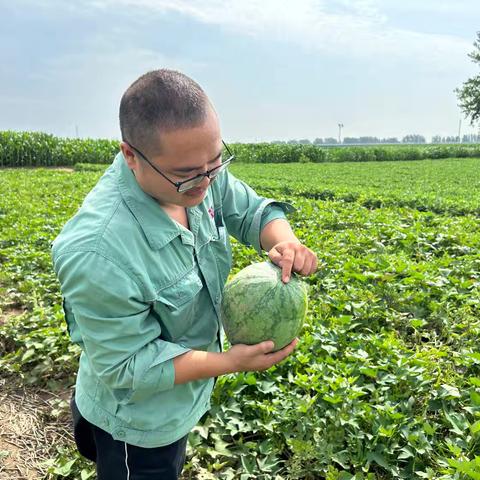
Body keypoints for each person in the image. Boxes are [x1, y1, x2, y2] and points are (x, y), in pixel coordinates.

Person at [51, 69, 317, 479]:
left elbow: (251, 210)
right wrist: (229, 361)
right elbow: (128, 367)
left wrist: (285, 241)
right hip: (139, 427)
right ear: (132, 155)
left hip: (180, 402)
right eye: (190, 174)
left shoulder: (194, 166)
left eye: (215, 162)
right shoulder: (97, 252)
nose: (207, 182)